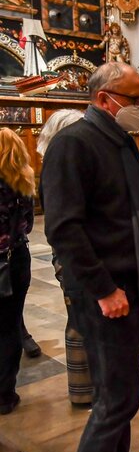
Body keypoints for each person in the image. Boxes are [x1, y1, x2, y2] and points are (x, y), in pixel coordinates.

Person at [40, 62, 139, 452]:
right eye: (135, 99)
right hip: (105, 292)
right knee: (119, 398)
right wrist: (104, 290)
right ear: (104, 99)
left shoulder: (120, 140)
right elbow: (64, 229)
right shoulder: (74, 144)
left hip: (128, 286)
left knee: (116, 391)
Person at [36, 108, 93, 406]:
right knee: (79, 320)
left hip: (76, 256)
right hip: (72, 258)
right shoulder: (59, 166)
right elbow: (62, 224)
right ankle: (82, 390)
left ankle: (88, 387)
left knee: (83, 320)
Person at [0, 128, 34, 415]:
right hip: (15, 258)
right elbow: (29, 224)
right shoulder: (23, 182)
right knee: (10, 325)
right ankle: (5, 394)